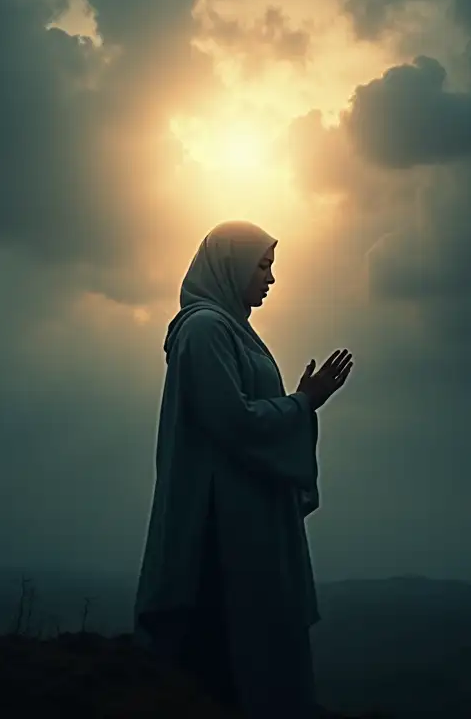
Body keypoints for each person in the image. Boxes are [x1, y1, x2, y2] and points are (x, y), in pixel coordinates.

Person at [134, 220, 354, 718]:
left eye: (270, 267)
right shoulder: (205, 329)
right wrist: (303, 402)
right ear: (230, 266)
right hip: (221, 523)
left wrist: (298, 403)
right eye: (261, 266)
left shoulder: (232, 331)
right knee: (224, 645)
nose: (270, 279)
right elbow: (230, 420)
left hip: (244, 514)